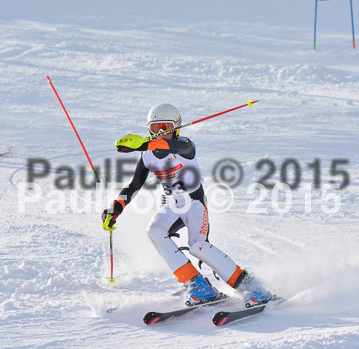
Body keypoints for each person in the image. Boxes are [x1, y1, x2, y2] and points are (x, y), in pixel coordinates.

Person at [102, 104, 273, 306]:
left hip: (194, 203)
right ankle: (197, 284)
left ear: (176, 128)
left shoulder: (185, 145)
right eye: (155, 128)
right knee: (155, 232)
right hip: (171, 205)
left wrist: (142, 144)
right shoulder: (147, 155)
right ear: (149, 129)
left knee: (198, 246)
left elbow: (174, 147)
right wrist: (115, 209)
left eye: (165, 127)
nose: (160, 132)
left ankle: (251, 286)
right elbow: (133, 186)